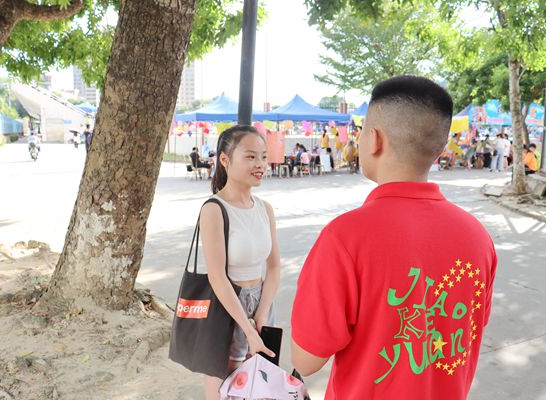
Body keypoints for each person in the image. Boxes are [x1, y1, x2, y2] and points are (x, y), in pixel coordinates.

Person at [291, 76, 497, 399]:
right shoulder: (478, 238)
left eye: (361, 131)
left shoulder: (344, 238)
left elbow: (305, 359)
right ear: (439, 149)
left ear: (374, 139)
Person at [200, 125, 280, 399]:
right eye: (250, 156)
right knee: (226, 389)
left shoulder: (265, 209)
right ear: (225, 159)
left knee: (260, 387)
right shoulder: (214, 209)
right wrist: (247, 329)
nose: (260, 164)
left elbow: (273, 267)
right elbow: (217, 276)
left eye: (264, 157)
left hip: (262, 304)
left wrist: (262, 314)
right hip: (227, 307)